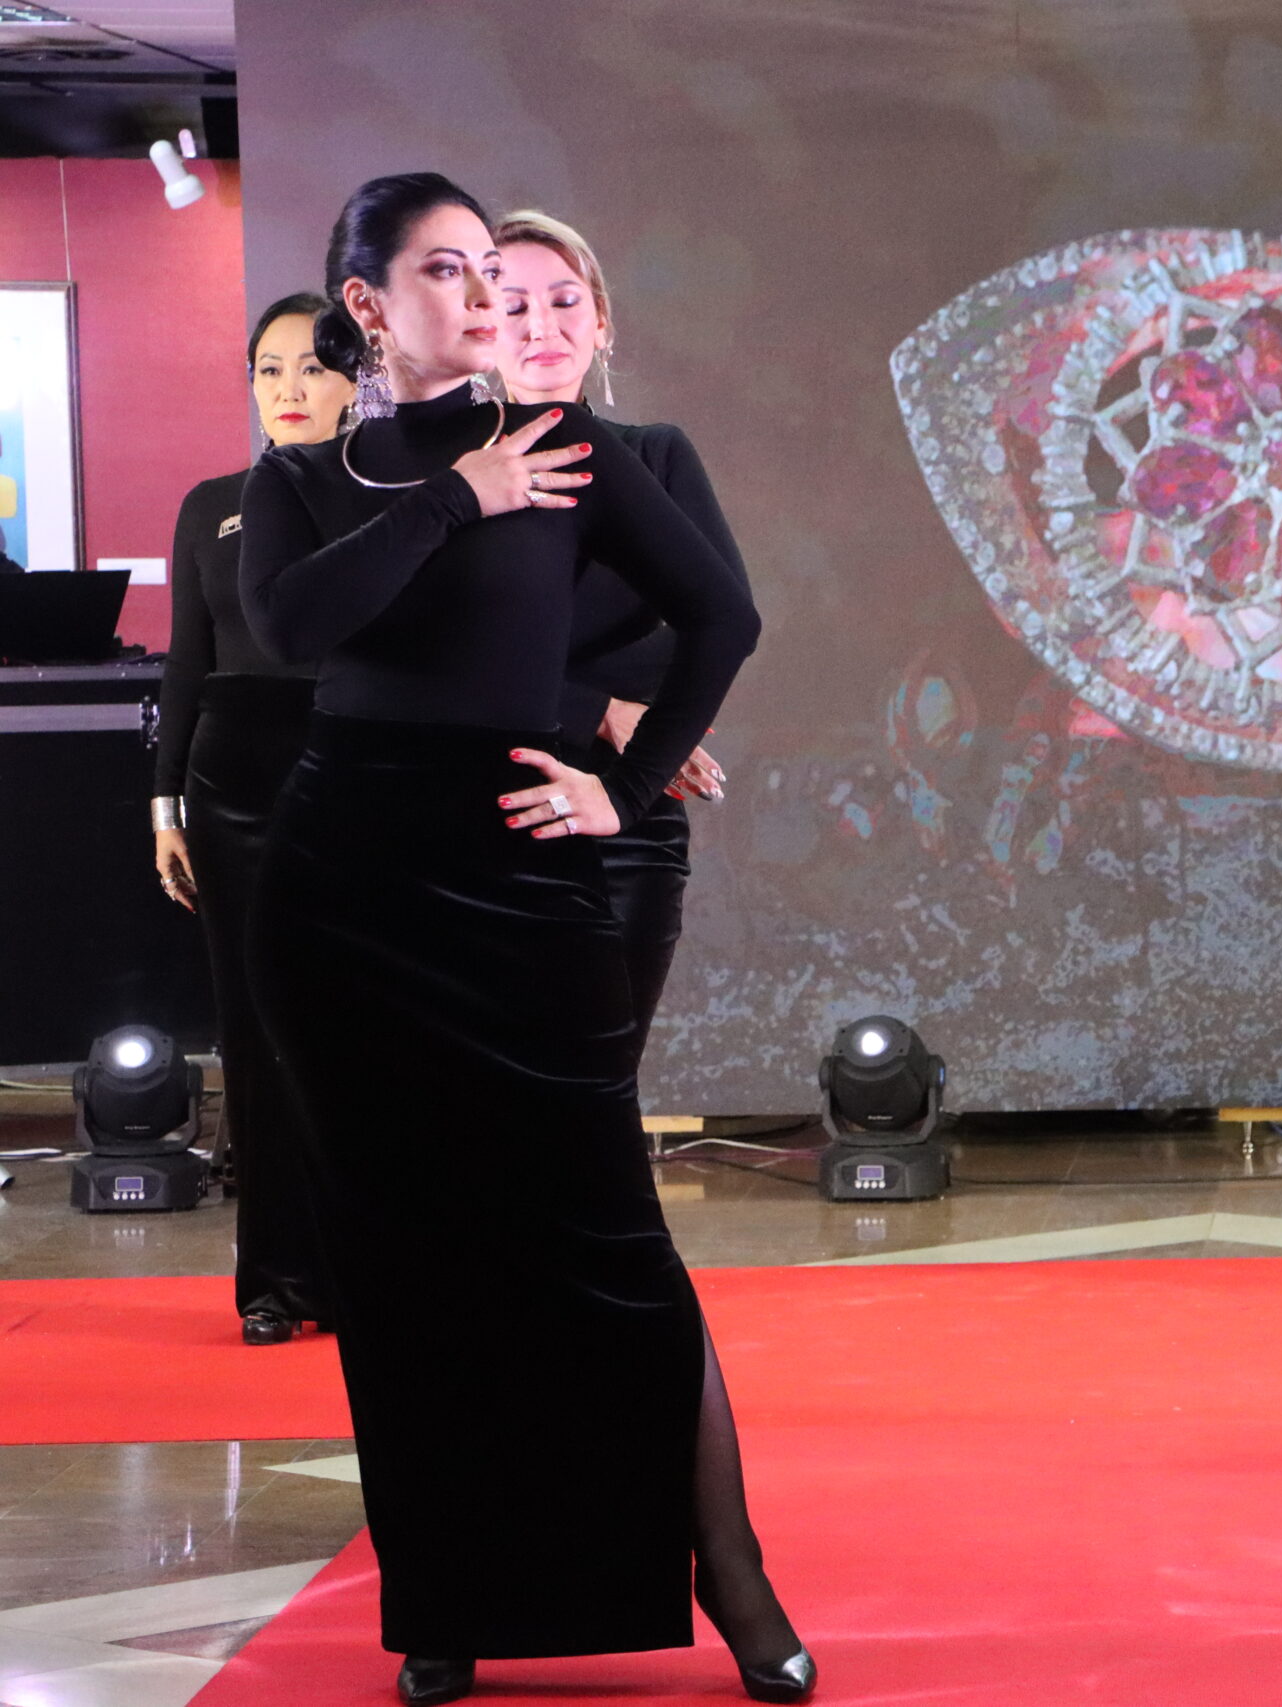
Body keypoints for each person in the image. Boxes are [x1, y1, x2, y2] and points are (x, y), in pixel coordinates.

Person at [237, 173, 806, 1706]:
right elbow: (291, 629)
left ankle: (728, 1568)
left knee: (603, 1226)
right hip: (342, 881)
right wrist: (451, 497)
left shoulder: (570, 447)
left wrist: (626, 782)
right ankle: (447, 1594)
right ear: (370, 305)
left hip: (516, 865)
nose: (485, 293)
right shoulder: (307, 475)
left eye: (493, 265)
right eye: (449, 269)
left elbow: (723, 619)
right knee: (398, 1249)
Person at [150, 293, 358, 1346]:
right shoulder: (210, 506)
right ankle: (277, 1279)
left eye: (313, 367)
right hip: (232, 778)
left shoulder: (394, 497)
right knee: (255, 1028)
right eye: (269, 370)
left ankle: (373, 1273)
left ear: (355, 380)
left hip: (359, 767)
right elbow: (188, 664)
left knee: (364, 1027)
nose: (290, 389)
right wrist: (165, 806)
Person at [490, 210, 734, 1049]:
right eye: (513, 306)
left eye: (564, 301)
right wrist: (598, 708)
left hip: (626, 814)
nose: (542, 325)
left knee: (601, 1075)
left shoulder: (655, 456)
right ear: (480, 330)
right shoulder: (453, 478)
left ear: (601, 322)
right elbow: (427, 656)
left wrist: (638, 755)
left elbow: (718, 622)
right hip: (479, 808)